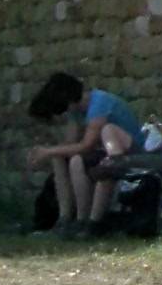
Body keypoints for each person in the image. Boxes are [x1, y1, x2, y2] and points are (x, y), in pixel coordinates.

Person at [22, 70, 139, 234]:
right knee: (59, 158)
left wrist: (48, 151)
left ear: (69, 101)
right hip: (102, 152)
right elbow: (70, 143)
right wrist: (50, 150)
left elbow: (86, 145)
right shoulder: (76, 112)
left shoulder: (99, 104)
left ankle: (81, 219)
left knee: (77, 161)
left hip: (125, 152)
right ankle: (64, 218)